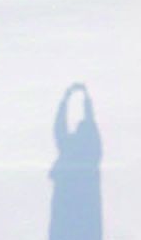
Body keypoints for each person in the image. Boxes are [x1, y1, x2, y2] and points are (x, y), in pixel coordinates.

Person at [49, 83, 102, 240]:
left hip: (68, 209)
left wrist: (66, 100)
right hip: (81, 212)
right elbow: (61, 128)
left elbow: (60, 128)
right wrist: (84, 101)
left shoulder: (72, 150)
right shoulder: (89, 153)